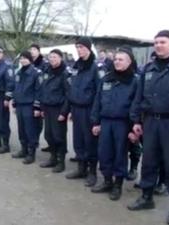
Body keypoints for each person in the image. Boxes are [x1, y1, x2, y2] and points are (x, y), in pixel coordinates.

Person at [127, 30, 169, 225]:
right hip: (149, 122)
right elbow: (139, 97)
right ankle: (146, 197)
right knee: (149, 161)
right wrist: (136, 121)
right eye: (155, 42)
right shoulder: (148, 69)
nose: (158, 45)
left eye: (162, 42)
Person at [90, 47, 139, 201]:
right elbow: (97, 101)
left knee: (120, 154)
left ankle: (117, 185)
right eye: (116, 59)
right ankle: (107, 181)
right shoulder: (106, 79)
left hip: (123, 124)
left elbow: (136, 105)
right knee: (104, 153)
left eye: (121, 59)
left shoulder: (135, 81)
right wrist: (95, 122)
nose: (117, 62)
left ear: (129, 62)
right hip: (105, 122)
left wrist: (133, 128)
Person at [65, 37, 99, 187]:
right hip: (77, 108)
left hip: (89, 109)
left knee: (90, 141)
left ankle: (92, 172)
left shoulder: (96, 67)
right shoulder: (76, 66)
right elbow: (73, 88)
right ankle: (81, 168)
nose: (79, 50)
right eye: (77, 47)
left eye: (82, 47)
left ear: (89, 48)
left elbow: (99, 93)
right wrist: (72, 108)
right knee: (78, 140)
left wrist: (96, 115)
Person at [38, 49, 69, 173]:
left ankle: (61, 162)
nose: (52, 59)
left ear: (61, 58)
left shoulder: (65, 73)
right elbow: (43, 90)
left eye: (55, 57)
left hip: (58, 109)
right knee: (48, 135)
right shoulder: (47, 71)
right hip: (48, 107)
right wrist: (42, 108)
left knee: (59, 136)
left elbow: (68, 94)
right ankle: (53, 157)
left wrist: (64, 112)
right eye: (50, 57)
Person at [10, 51, 41, 164]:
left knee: (30, 130)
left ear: (30, 59)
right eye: (21, 58)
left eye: (25, 58)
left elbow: (38, 90)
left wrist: (37, 107)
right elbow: (15, 88)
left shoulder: (35, 73)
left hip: (29, 105)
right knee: (21, 129)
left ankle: (31, 153)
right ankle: (23, 149)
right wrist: (14, 102)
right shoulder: (19, 72)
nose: (22, 60)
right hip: (20, 105)